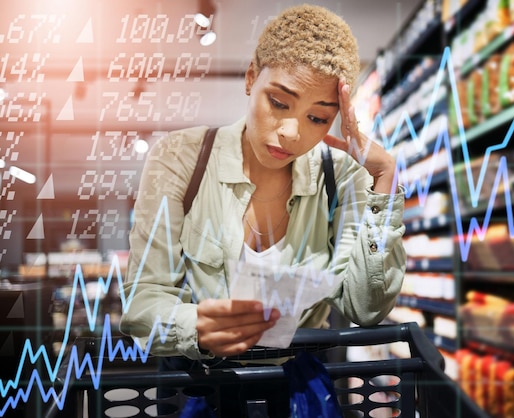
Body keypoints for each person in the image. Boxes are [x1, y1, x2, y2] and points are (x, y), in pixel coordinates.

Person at [120, 3, 406, 415]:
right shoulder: (179, 159)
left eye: (317, 118)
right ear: (252, 77)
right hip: (202, 386)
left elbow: (365, 307)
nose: (292, 132)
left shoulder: (339, 174)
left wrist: (384, 177)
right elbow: (143, 301)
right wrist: (196, 327)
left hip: (301, 390)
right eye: (279, 102)